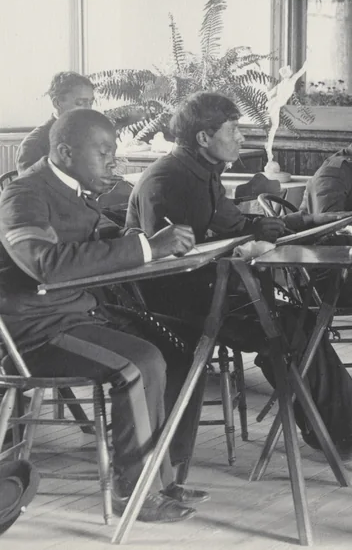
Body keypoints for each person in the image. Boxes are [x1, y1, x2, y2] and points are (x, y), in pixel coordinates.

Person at [125, 92, 352, 461]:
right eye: (233, 130)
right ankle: (341, 432)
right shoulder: (168, 180)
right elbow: (170, 263)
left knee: (297, 323)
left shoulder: (199, 172)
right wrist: (244, 244)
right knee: (291, 327)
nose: (241, 138)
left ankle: (338, 429)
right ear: (203, 137)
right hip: (181, 308)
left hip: (216, 291)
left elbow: (234, 225)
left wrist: (307, 222)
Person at [0, 109, 201, 523]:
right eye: (104, 153)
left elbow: (87, 236)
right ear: (65, 152)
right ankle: (135, 492)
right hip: (36, 330)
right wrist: (147, 248)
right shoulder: (24, 194)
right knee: (139, 362)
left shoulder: (71, 189)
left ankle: (163, 476)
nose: (114, 162)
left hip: (75, 316)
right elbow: (45, 264)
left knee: (183, 345)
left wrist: (134, 237)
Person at [16, 72, 97, 173]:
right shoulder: (34, 144)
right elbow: (29, 182)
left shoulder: (89, 134)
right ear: (57, 103)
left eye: (90, 103)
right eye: (80, 103)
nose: (88, 109)